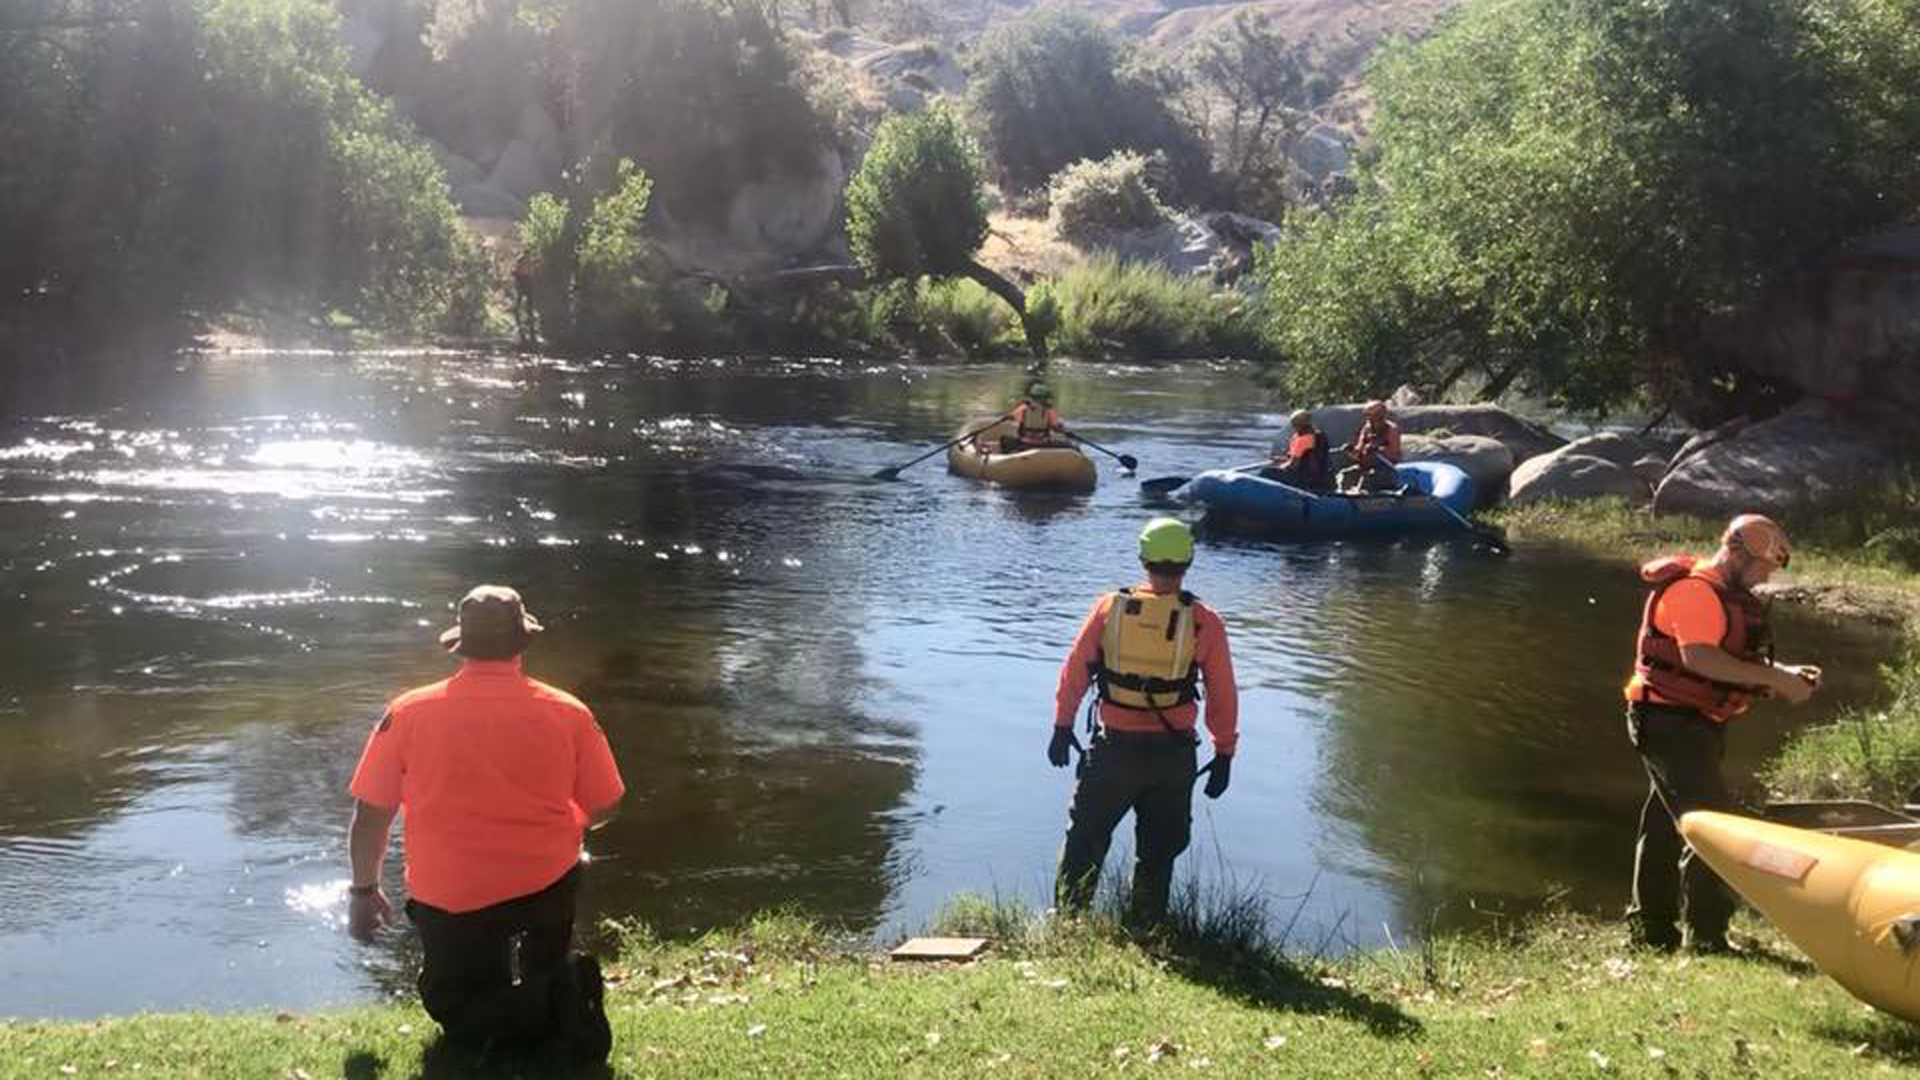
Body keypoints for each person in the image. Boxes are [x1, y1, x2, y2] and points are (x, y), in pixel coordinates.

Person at [346, 585, 625, 1065]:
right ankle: (552, 985)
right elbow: (606, 805)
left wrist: (363, 892)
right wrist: (570, 821)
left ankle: (501, 1006)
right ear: (522, 642)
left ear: (461, 645)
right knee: (536, 977)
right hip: (543, 886)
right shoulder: (568, 711)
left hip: (447, 897)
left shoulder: (408, 712)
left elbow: (371, 815)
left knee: (456, 1012)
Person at [1622, 514, 1822, 953]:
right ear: (1735, 552)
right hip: (1667, 721)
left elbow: (1728, 660)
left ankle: (1649, 932)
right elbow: (1701, 660)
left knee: (1664, 825)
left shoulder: (1723, 593)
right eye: (1762, 567)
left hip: (1694, 721)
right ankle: (1707, 937)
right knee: (1714, 826)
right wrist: (1775, 680)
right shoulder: (1694, 591)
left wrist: (1785, 673)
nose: (1765, 577)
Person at [1048, 517, 1239, 926]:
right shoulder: (1204, 621)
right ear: (1188, 562)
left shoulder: (1109, 608)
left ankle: (1068, 923)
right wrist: (1224, 752)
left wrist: (1062, 726)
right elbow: (1223, 693)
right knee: (1158, 852)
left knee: (1084, 840)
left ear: (1143, 559)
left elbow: (1075, 670)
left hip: (1114, 751)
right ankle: (1146, 927)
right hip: (1173, 757)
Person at [1337, 400, 1402, 493]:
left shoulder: (1391, 429)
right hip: (1366, 466)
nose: (1369, 418)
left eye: (1372, 415)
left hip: (1386, 469)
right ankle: (1343, 497)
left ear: (1381, 415)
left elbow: (1394, 453)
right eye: (1367, 415)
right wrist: (1351, 450)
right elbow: (1359, 452)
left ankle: (1364, 497)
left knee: (1369, 477)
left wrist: (1378, 450)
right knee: (1345, 474)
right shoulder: (1367, 429)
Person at [1264, 409, 1331, 491]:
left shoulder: (1303, 439)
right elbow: (1304, 457)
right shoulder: (1319, 435)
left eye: (1294, 424)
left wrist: (1279, 466)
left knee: (1266, 472)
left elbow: (1293, 465)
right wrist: (1282, 459)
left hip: (1301, 478)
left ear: (1301, 424)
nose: (1293, 427)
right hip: (1317, 476)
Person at [1003, 382, 1067, 452]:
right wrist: (1061, 427)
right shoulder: (1049, 411)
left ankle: (1011, 453)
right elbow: (1055, 427)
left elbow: (1013, 419)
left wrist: (1010, 417)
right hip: (1043, 443)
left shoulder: (1023, 408)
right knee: (1065, 443)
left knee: (1005, 439)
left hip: (1024, 442)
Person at [511, 251, 539, 345]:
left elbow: (532, 272)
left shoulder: (528, 261)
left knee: (528, 299)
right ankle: (518, 311)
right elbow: (515, 271)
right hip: (522, 281)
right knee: (521, 297)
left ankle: (527, 313)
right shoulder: (521, 260)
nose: (528, 257)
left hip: (527, 281)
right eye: (527, 255)